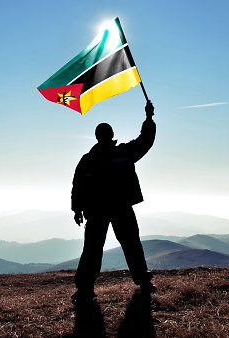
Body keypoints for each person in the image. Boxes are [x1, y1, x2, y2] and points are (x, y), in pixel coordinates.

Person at [71, 101, 156, 304]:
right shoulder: (121, 153)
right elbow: (144, 142)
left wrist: (77, 209)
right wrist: (149, 118)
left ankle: (85, 289)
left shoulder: (89, 159)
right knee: (130, 246)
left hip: (100, 210)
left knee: (95, 249)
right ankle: (143, 282)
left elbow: (77, 186)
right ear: (109, 135)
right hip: (118, 207)